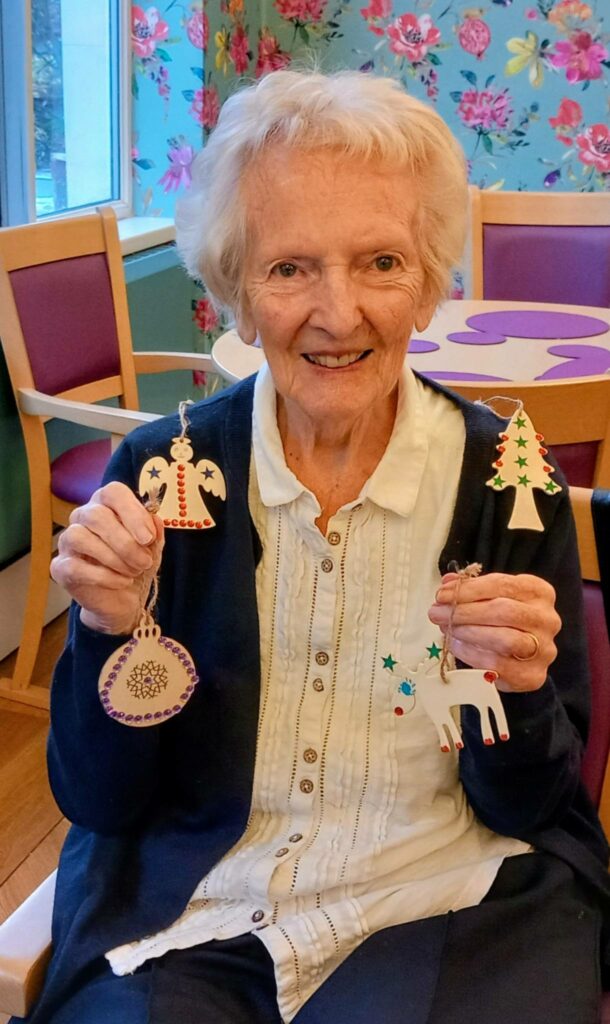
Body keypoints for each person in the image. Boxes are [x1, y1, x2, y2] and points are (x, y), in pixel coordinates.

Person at [23, 70, 609, 1024]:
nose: (338, 314)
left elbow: (531, 803)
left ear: (427, 287)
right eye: (290, 268)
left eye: (381, 262)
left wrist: (517, 690)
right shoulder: (161, 474)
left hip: (447, 895)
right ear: (238, 298)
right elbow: (101, 799)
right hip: (199, 906)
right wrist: (106, 629)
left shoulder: (510, 487)